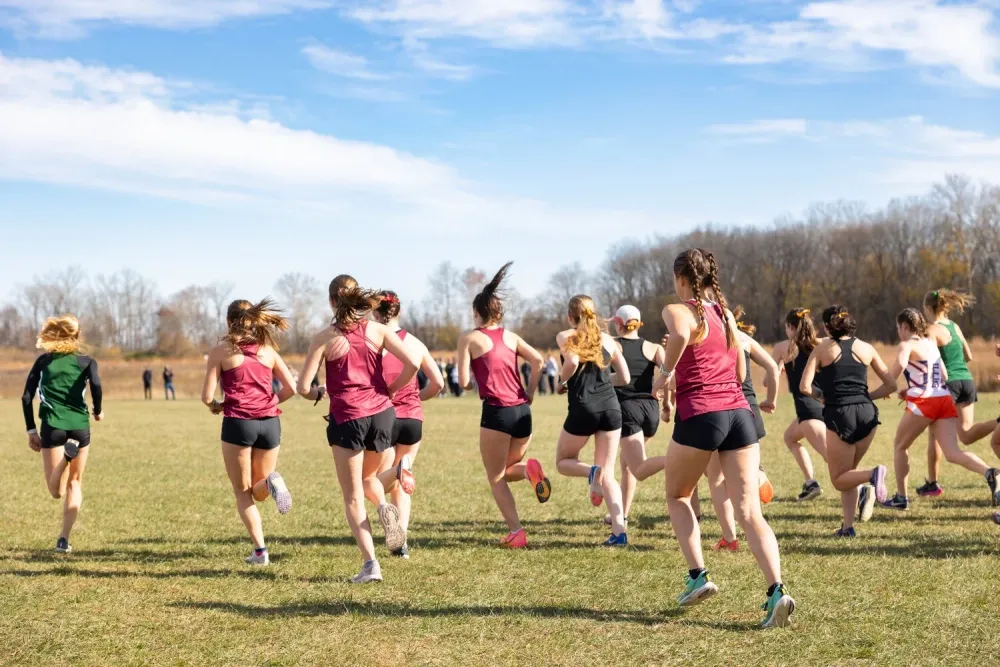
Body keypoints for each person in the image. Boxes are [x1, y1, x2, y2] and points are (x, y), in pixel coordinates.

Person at [660, 248, 794, 629]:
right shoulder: (726, 313)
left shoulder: (677, 310)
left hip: (702, 412)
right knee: (750, 511)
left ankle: (698, 575)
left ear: (680, 278)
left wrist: (666, 373)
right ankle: (777, 591)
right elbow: (739, 367)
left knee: (678, 495)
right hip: (739, 413)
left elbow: (683, 333)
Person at [298, 274, 421, 584]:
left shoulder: (324, 337)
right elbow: (413, 364)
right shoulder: (377, 330)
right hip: (382, 415)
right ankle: (383, 504)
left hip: (348, 417)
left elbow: (302, 387)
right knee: (368, 478)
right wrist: (390, 391)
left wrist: (317, 394)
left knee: (352, 496)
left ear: (331, 302)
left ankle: (371, 565)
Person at [458, 262, 550, 549]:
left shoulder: (470, 338)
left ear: (477, 312)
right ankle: (529, 470)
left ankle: (516, 532)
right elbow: (538, 361)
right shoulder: (512, 337)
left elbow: (462, 382)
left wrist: (473, 382)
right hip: (523, 411)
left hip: (497, 412)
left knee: (495, 476)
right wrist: (531, 391)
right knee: (510, 468)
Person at [200, 299, 297, 566]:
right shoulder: (268, 350)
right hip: (270, 423)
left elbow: (207, 396)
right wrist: (269, 403)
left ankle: (260, 552)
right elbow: (291, 388)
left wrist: (215, 407)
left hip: (239, 423)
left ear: (229, 321)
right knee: (259, 488)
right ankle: (271, 483)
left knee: (242, 492)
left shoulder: (221, 351)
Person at [880, 308, 1000, 511]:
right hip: (943, 399)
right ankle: (990, 472)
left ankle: (901, 498)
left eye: (898, 328)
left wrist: (887, 385)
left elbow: (899, 366)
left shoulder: (906, 344)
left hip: (924, 403)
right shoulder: (930, 344)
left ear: (904, 326)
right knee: (953, 453)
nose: (898, 332)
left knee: (900, 446)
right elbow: (943, 375)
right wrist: (911, 388)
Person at [800, 306, 895, 537]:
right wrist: (867, 396)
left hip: (840, 415)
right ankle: (847, 527)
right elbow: (892, 385)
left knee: (838, 480)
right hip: (867, 414)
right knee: (848, 472)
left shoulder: (822, 349)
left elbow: (804, 386)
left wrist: (820, 395)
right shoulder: (867, 348)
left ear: (827, 327)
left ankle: (874, 474)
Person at [21, 315, 103, 554]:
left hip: (52, 426)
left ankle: (67, 458)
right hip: (79, 426)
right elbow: (96, 385)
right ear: (76, 336)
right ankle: (63, 540)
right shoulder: (87, 361)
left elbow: (26, 397)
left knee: (55, 491)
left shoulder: (44, 361)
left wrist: (31, 431)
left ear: (55, 334)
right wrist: (98, 411)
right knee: (75, 483)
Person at [373, 291, 446, 559]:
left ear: (375, 313)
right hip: (413, 419)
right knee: (403, 482)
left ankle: (391, 527)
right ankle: (401, 543)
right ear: (399, 312)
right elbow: (438, 383)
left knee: (376, 482)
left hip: (384, 415)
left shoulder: (375, 341)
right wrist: (417, 397)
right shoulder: (415, 343)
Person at [555, 295, 631, 546]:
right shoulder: (608, 339)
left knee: (563, 461)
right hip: (611, 407)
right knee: (610, 474)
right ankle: (619, 533)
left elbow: (573, 361)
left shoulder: (566, 335)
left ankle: (591, 472)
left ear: (570, 316)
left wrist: (563, 382)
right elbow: (624, 377)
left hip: (583, 408)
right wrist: (602, 384)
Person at [703, 307, 780, 551]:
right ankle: (757, 474)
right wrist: (772, 399)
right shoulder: (744, 339)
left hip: (722, 407)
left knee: (715, 479)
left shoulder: (706, 336)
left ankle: (729, 537)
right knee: (741, 473)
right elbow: (772, 367)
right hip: (751, 412)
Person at [919, 289, 997, 497]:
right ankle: (998, 422)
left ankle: (933, 483)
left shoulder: (930, 330)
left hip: (948, 384)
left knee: (936, 436)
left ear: (928, 308)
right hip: (966, 380)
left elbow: (929, 360)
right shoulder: (955, 326)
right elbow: (968, 355)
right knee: (966, 434)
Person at [610, 304, 666, 525]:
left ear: (618, 323)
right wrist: (667, 401)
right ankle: (622, 514)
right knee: (627, 466)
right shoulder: (654, 348)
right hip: (651, 410)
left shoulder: (613, 345)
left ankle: (676, 460)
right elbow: (669, 373)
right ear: (639, 322)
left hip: (627, 409)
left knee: (638, 469)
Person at [771, 308, 827, 501]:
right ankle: (810, 483)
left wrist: (778, 369)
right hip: (823, 406)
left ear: (790, 326)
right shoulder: (820, 345)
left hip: (809, 412)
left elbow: (768, 378)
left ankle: (863, 487)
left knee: (834, 459)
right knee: (790, 437)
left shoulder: (783, 348)